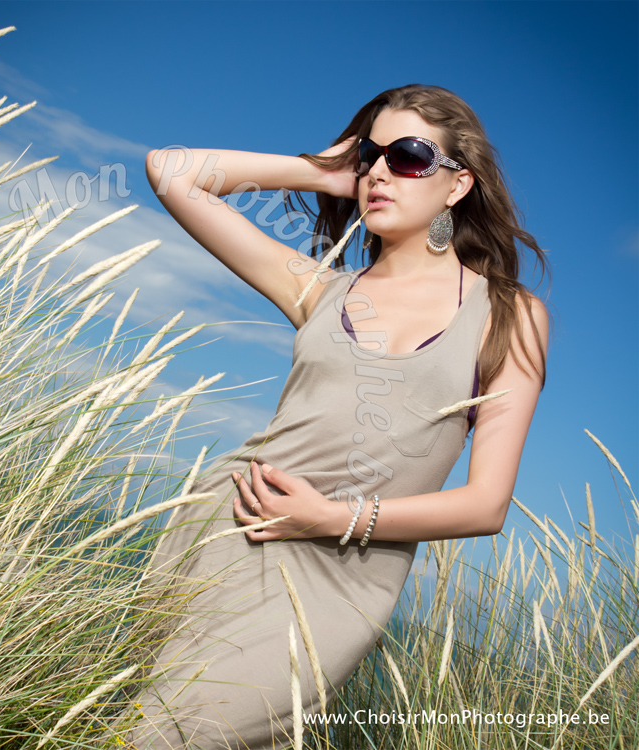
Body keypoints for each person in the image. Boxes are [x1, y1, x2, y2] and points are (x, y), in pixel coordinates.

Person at [115, 84, 549, 749]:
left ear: (458, 185)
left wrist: (335, 518)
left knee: (167, 737)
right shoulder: (320, 289)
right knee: (129, 729)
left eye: (407, 156)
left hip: (341, 579)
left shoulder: (510, 316)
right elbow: (171, 172)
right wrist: (324, 171)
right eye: (370, 157)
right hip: (229, 533)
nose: (379, 172)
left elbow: (487, 505)